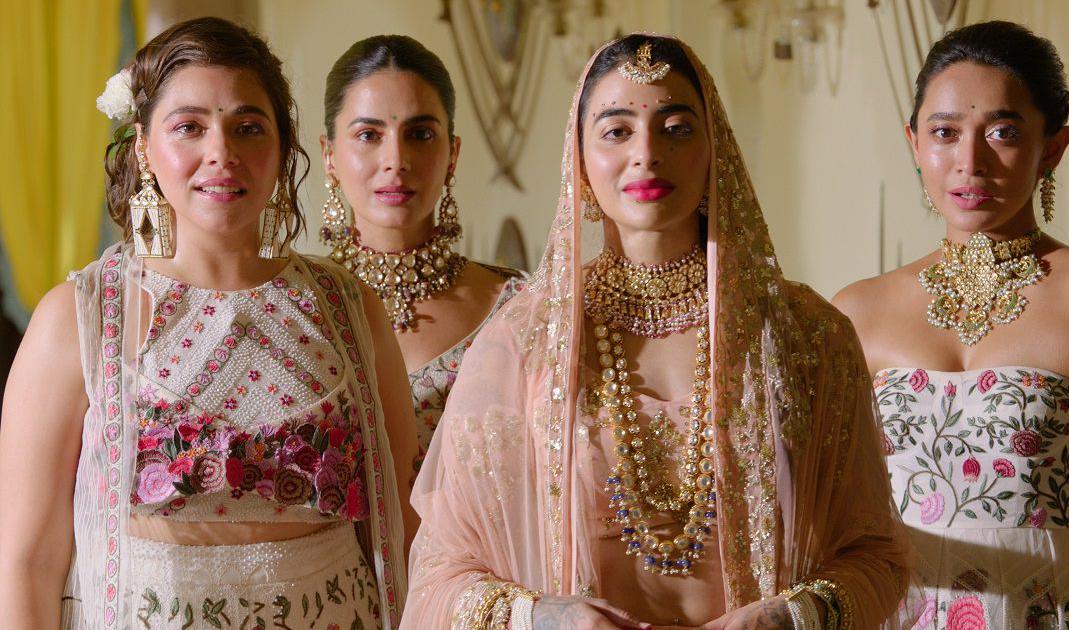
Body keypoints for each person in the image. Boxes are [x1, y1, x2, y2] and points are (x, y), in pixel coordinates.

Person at [401, 34, 910, 629]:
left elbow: (877, 556)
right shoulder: (524, 341)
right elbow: (442, 571)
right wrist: (544, 618)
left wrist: (790, 617)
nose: (646, 153)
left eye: (676, 128)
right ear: (580, 159)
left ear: (716, 148)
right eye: (617, 131)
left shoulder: (805, 335)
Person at [0, 17, 417, 629]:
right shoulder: (80, 317)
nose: (222, 153)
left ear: (283, 147)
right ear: (143, 148)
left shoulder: (348, 309)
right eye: (189, 127)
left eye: (248, 127)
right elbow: (27, 561)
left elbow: (406, 526)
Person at [834, 20, 1069, 629]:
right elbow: (826, 522)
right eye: (945, 132)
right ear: (914, 143)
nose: (969, 162)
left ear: (1053, 148)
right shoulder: (856, 312)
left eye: (1003, 132)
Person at [318, 35, 525, 474]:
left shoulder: (519, 308)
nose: (396, 160)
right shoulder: (294, 305)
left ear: (453, 154)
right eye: (369, 135)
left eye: (420, 134)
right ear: (329, 155)